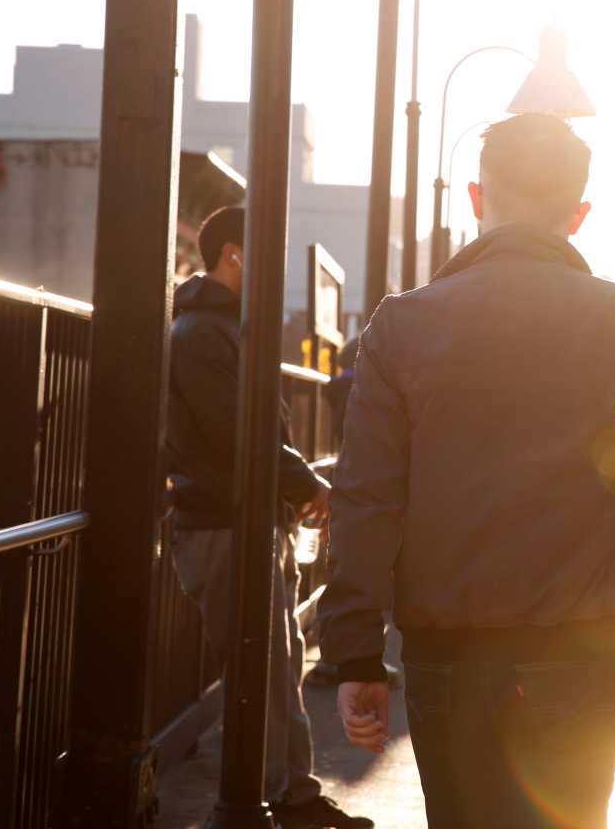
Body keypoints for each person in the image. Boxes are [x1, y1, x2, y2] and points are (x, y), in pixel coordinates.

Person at [320, 114, 615, 828]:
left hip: (447, 665)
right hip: (580, 662)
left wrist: (355, 658)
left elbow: (365, 502)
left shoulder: (402, 326)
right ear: (579, 212)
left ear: (476, 198)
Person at [165, 206, 372, 829]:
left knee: (276, 663)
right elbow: (239, 428)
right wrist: (304, 480)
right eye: (265, 256)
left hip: (243, 522)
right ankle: (265, 798)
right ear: (234, 254)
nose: (275, 273)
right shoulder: (204, 333)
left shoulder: (220, 329)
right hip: (223, 524)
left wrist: (291, 488)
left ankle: (288, 792)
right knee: (261, 666)